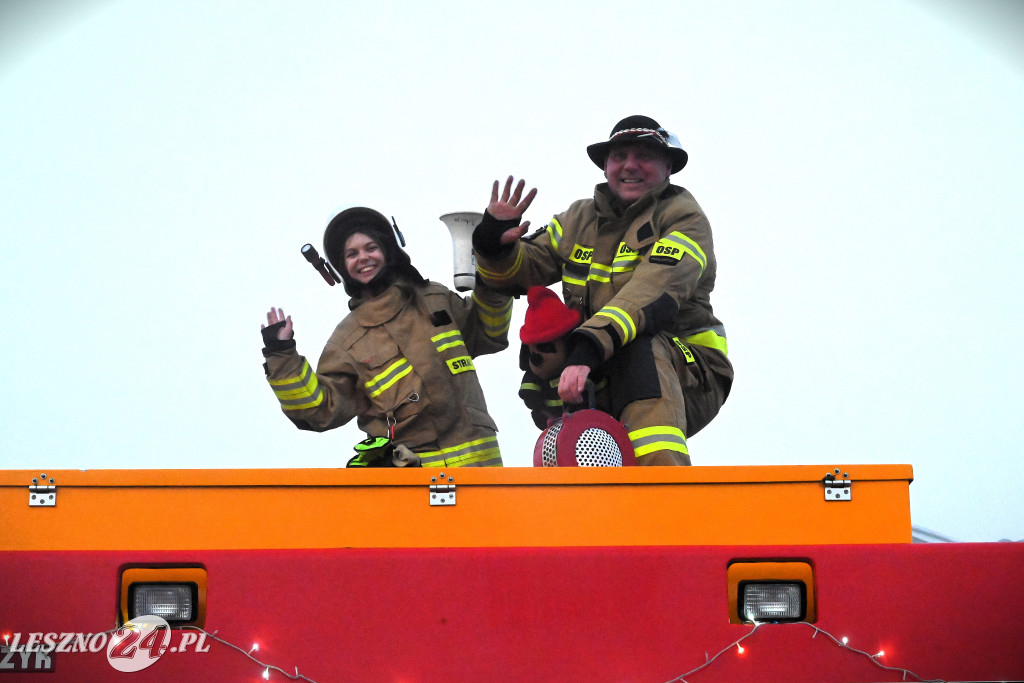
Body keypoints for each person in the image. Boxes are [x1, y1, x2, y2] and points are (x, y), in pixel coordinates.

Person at [472, 115, 733, 465]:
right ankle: (581, 482)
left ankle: (663, 489)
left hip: (689, 370)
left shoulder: (683, 217)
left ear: (668, 165)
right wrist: (493, 244)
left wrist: (586, 351)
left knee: (637, 342)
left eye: (644, 155)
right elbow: (523, 269)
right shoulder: (579, 218)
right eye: (619, 156)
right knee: (545, 341)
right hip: (601, 362)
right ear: (605, 166)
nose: (629, 165)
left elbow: (651, 292)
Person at [261, 207, 512, 467]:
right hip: (411, 490)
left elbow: (488, 332)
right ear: (339, 267)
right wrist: (281, 354)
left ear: (388, 249)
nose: (363, 258)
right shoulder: (346, 342)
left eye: (371, 247)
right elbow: (319, 411)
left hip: (482, 479)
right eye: (352, 254)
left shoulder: (434, 299)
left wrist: (495, 263)